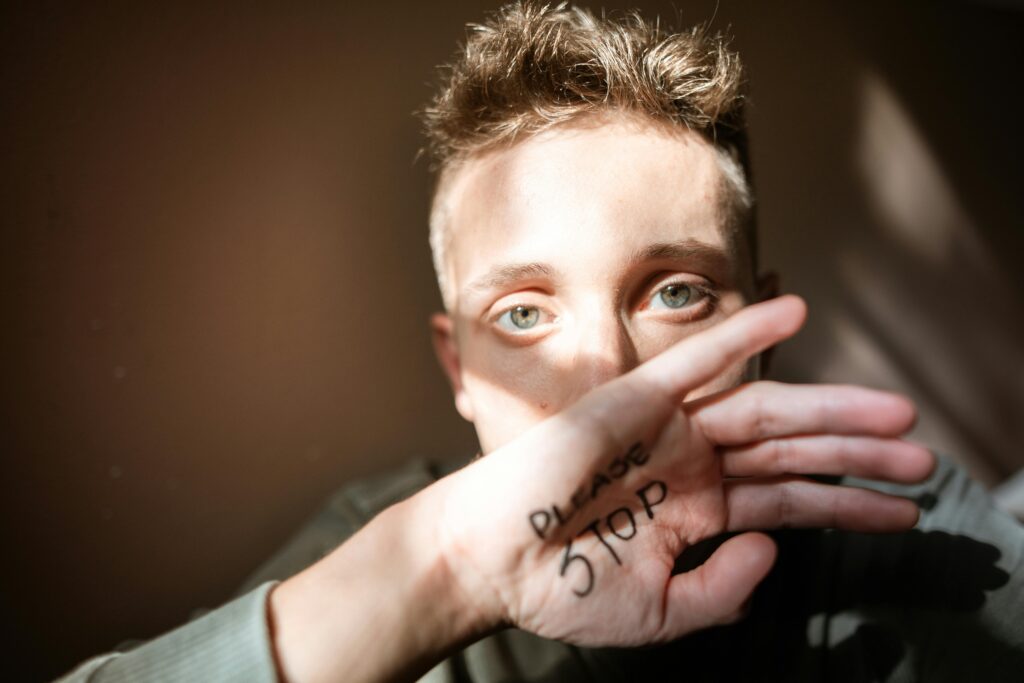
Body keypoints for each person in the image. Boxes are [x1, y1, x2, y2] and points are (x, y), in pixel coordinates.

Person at [58, 3, 1024, 682]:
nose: (605, 379)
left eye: (677, 292)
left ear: (758, 326)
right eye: (522, 313)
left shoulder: (903, 524)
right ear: (458, 370)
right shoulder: (378, 551)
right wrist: (448, 576)